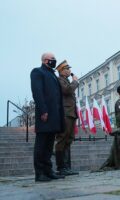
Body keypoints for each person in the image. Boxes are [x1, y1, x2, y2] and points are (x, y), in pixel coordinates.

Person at [30, 53, 65, 182]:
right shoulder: (37, 72)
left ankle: (48, 171)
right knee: (41, 144)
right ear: (45, 60)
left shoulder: (53, 75)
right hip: (45, 114)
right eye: (52, 59)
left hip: (55, 115)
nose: (54, 61)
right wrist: (43, 110)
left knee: (49, 145)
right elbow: (37, 92)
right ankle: (39, 173)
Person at [55, 60, 79, 176]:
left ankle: (66, 167)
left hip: (71, 113)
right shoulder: (60, 80)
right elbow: (67, 90)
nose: (69, 71)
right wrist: (75, 82)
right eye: (67, 69)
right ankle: (61, 167)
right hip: (65, 113)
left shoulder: (66, 80)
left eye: (69, 69)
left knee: (68, 139)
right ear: (62, 71)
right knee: (62, 139)